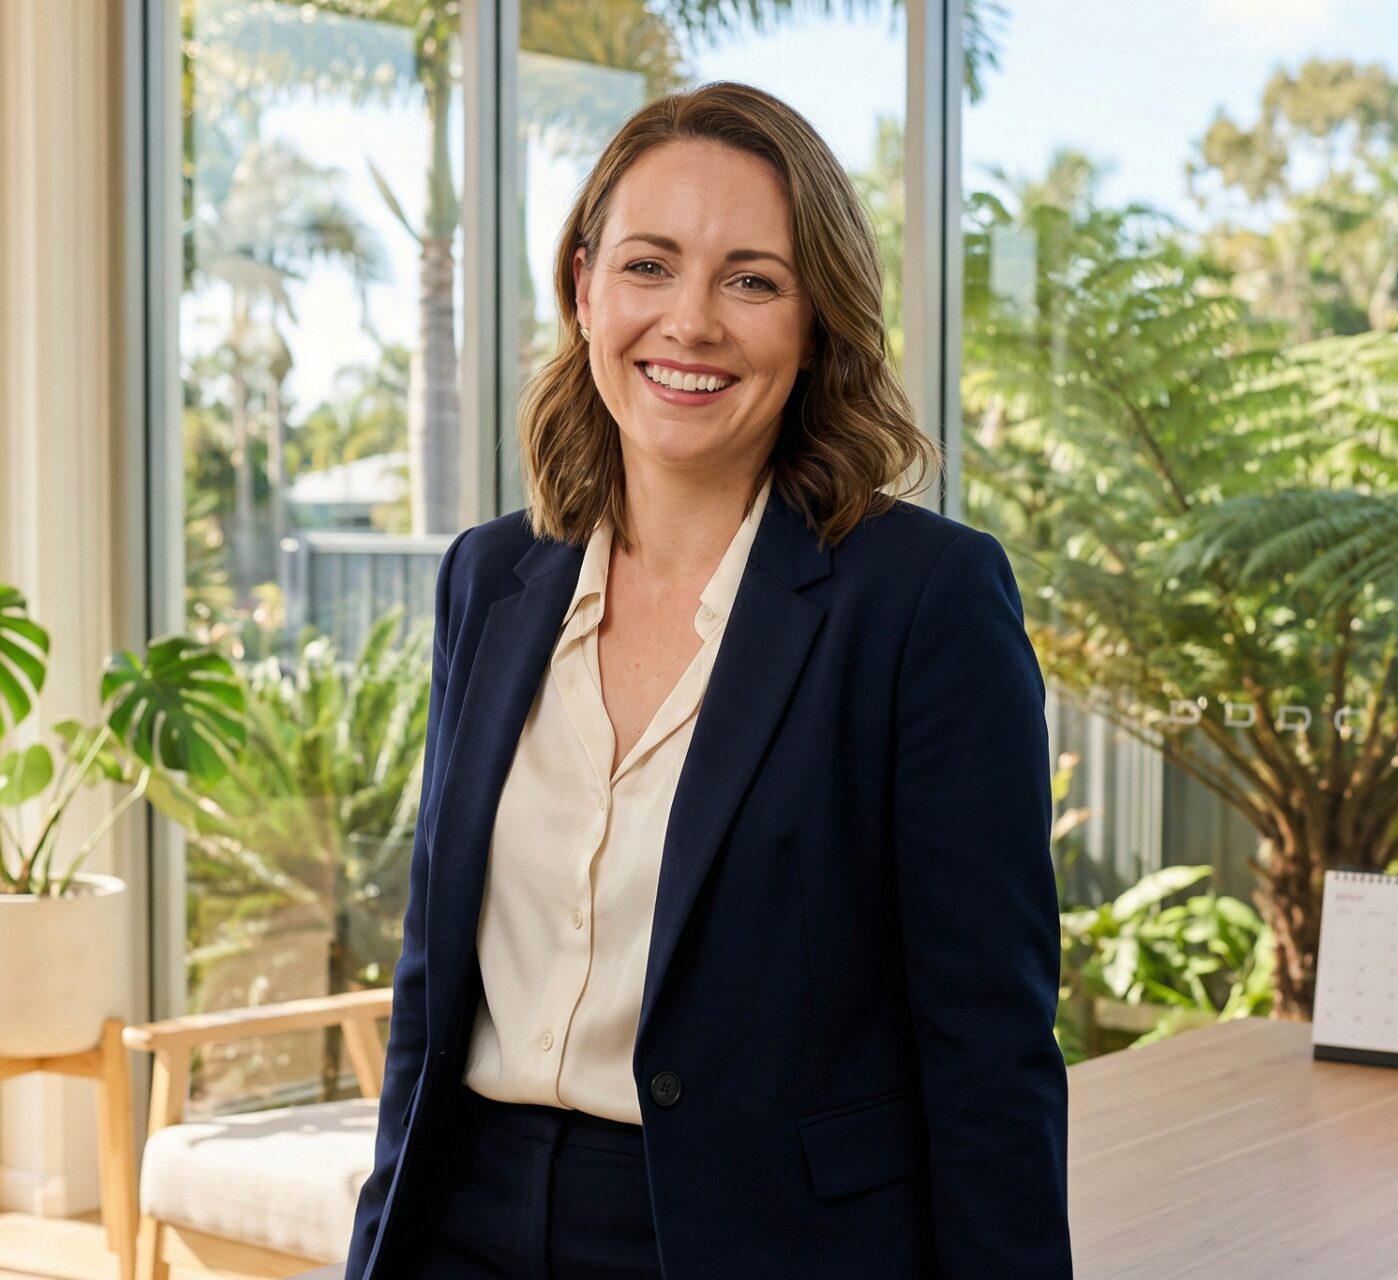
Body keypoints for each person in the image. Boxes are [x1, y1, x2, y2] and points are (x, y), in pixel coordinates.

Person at [344, 80, 1070, 1280]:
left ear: (816, 320)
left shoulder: (923, 600)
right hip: (461, 1220)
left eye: (752, 279)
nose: (692, 321)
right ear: (583, 289)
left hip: (758, 1240)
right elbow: (432, 982)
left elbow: (987, 1049)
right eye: (648, 266)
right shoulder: (490, 577)